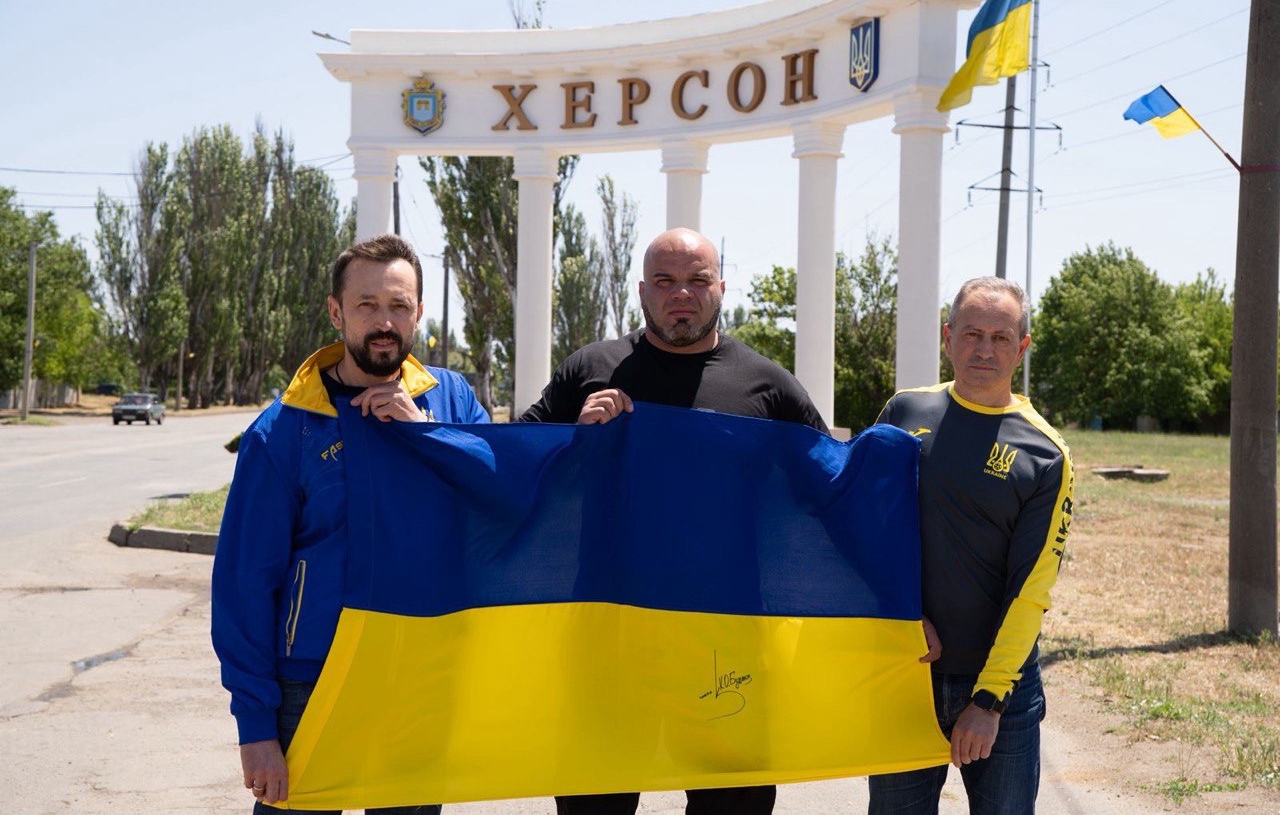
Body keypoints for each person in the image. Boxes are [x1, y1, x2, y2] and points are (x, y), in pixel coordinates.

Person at [521, 226, 828, 815]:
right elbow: (514, 467)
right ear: (641, 290)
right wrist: (573, 439)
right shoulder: (591, 368)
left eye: (697, 280)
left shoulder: (768, 385)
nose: (680, 293)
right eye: (664, 281)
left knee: (732, 807)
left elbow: (834, 487)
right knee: (594, 806)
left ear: (721, 289)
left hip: (724, 641)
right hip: (610, 635)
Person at [211, 234, 489, 813]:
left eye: (398, 306)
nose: (384, 322)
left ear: (418, 313)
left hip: (418, 672)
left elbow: (499, 494)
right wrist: (256, 726)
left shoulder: (452, 401)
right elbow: (244, 583)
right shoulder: (283, 429)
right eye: (367, 305)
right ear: (336, 312)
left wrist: (427, 435)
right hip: (311, 683)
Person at [868, 277, 1074, 815]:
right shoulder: (903, 413)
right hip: (906, 675)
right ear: (948, 338)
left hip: (1002, 693)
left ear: (1022, 347)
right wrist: (903, 615)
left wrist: (989, 699)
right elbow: (864, 528)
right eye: (971, 334)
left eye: (1001, 338)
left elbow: (1030, 590)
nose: (985, 349)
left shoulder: (1046, 453)